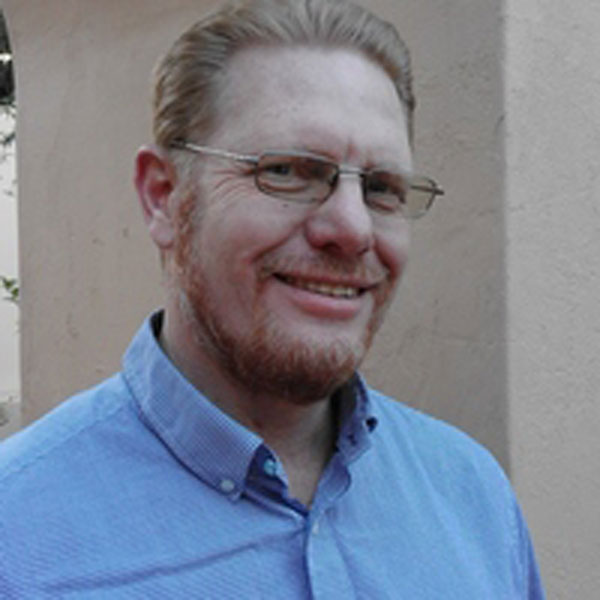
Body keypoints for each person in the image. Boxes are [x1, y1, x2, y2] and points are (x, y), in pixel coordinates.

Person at [0, 0, 545, 597]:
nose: (352, 228)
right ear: (164, 197)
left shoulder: (472, 498)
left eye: (382, 188)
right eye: (286, 171)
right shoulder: (17, 534)